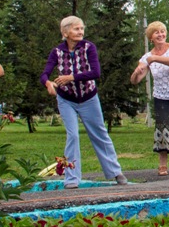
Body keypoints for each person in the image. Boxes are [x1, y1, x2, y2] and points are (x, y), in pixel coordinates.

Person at [40, 16, 127, 190]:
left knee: (99, 133)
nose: (80, 32)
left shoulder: (89, 48)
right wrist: (48, 83)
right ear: (65, 33)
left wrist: (71, 77)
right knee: (72, 135)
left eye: (81, 28)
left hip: (88, 97)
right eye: (76, 29)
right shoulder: (57, 51)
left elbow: (96, 72)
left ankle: (115, 172)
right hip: (66, 99)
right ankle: (71, 178)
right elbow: (45, 73)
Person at [131, 21, 169, 177]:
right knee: (162, 130)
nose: (161, 34)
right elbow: (135, 80)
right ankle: (163, 165)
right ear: (151, 37)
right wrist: (137, 72)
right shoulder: (146, 57)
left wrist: (155, 59)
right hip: (161, 98)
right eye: (156, 32)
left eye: (163, 31)